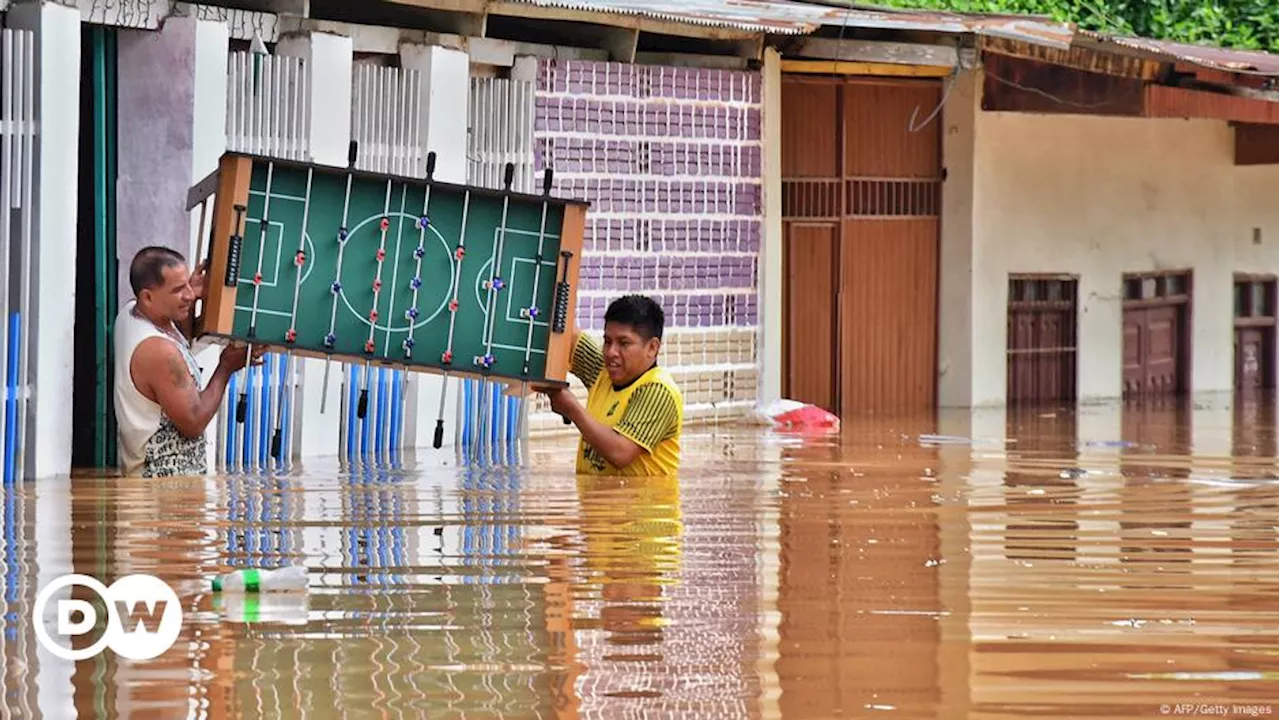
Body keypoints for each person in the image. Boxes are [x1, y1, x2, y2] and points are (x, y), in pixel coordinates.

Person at [114, 246, 262, 478]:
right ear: (148, 297)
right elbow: (193, 423)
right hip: (164, 485)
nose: (191, 295)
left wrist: (187, 298)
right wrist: (226, 368)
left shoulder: (131, 312)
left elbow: (181, 341)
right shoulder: (159, 351)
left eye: (188, 285)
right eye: (178, 289)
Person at [541, 295, 683, 476]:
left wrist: (572, 409)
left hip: (642, 504)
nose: (611, 352)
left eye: (624, 343)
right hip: (596, 503)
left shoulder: (659, 391)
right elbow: (565, 335)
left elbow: (620, 454)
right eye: (607, 341)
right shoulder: (602, 371)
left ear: (652, 348)